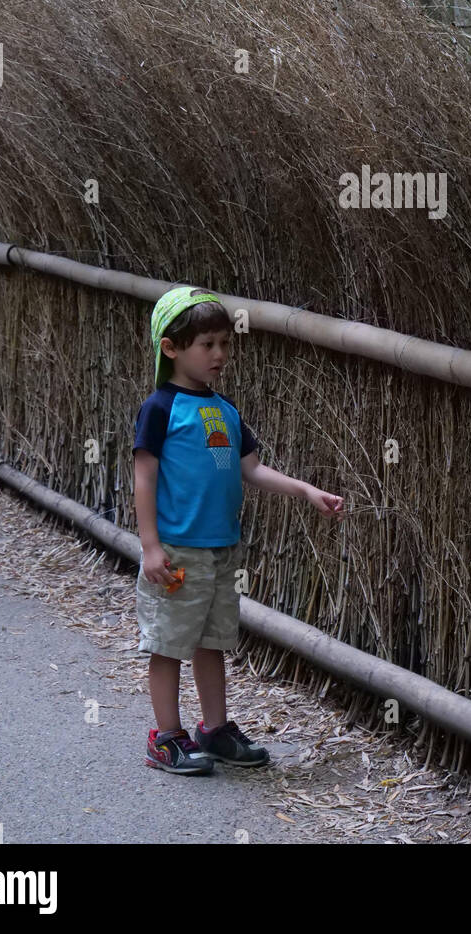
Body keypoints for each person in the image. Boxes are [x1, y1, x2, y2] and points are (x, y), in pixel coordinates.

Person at [133, 285, 344, 774]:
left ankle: (215, 728)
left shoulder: (225, 410)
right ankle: (165, 737)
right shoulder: (161, 409)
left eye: (224, 344)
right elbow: (144, 476)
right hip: (178, 552)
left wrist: (304, 489)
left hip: (221, 550)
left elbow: (251, 469)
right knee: (167, 643)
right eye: (207, 345)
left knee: (213, 640)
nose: (219, 354)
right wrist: (150, 546)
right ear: (171, 348)